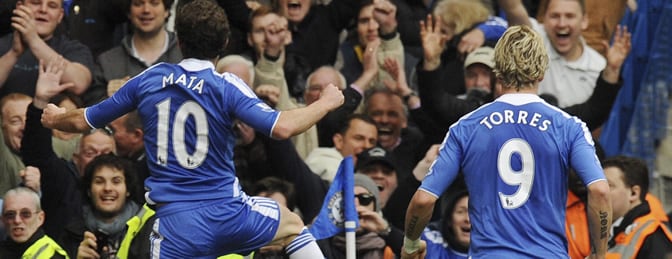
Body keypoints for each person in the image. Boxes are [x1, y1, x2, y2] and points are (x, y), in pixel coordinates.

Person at [40, 0, 344, 257]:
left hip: (176, 227)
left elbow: (83, 120)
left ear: (180, 41)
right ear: (224, 43)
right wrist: (326, 102)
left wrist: (53, 117)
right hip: (230, 215)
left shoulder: (150, 79)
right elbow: (282, 127)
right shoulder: (226, 86)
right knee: (293, 228)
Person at [401, 25, 612, 258]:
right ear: (542, 72)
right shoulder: (569, 127)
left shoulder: (466, 127)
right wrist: (599, 254)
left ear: (497, 72)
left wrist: (411, 244)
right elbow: (600, 191)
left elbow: (423, 200)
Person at [22, 56, 116, 238]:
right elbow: (37, 152)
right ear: (76, 157)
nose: (99, 159)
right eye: (90, 153)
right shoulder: (64, 182)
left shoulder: (130, 183)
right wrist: (40, 102)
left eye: (106, 153)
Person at [499, 0, 608, 108]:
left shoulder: (598, 66)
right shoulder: (532, 40)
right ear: (544, 19)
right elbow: (513, 8)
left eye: (569, 16)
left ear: (584, 21)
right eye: (554, 16)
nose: (561, 24)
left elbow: (596, 115)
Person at [88, 0, 182, 105]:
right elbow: (89, 109)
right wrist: (108, 98)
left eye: (154, 3)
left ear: (166, 10)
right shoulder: (107, 62)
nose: (146, 10)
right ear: (129, 12)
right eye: (138, 4)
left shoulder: (186, 56)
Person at [63, 154, 154, 259]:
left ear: (128, 190)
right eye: (99, 181)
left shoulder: (149, 227)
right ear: (89, 190)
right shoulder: (71, 234)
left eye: (116, 181)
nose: (107, 188)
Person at [0, 0, 94, 99]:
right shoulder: (2, 45)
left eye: (52, 6)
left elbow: (79, 84)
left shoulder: (74, 49)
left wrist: (33, 40)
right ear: (19, 7)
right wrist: (14, 54)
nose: (43, 10)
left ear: (60, 15)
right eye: (35, 3)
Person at [602, 156, 672, 258]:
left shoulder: (652, 235)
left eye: (608, 185)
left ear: (634, 193)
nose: (599, 192)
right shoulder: (611, 231)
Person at [305, 114, 378, 182]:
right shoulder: (326, 164)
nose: (366, 146)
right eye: (359, 138)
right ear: (339, 141)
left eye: (372, 142)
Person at [0, 187, 69, 259]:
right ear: (3, 220)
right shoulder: (4, 250)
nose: (17, 220)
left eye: (25, 214)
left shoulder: (53, 255)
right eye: (10, 214)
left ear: (40, 218)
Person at [421, 190, 470, 258]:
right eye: (460, 212)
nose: (468, 219)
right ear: (449, 219)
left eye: (474, 213)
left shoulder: (489, 250)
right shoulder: (427, 241)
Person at [0, 93, 31, 195]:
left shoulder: (56, 151)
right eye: (15, 121)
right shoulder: (4, 157)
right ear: (2, 126)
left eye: (29, 119)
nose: (24, 127)